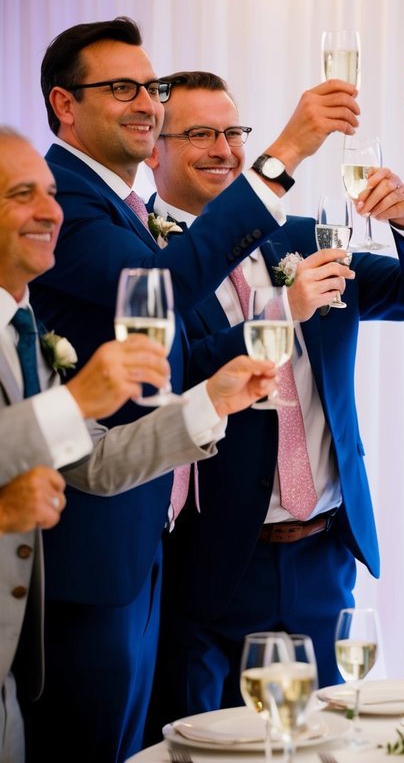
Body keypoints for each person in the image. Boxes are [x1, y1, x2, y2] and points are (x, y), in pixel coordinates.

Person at [26, 17, 357, 761]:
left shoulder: (117, 208)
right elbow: (163, 292)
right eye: (122, 88)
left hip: (139, 536)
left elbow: (167, 351)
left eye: (150, 87)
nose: (146, 101)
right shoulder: (69, 206)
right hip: (88, 546)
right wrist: (284, 154)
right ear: (64, 104)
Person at [142, 71, 404, 722]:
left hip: (324, 552)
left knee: (325, 735)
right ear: (153, 148)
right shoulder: (147, 259)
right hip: (212, 557)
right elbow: (167, 374)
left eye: (234, 132)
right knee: (207, 739)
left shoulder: (304, 237)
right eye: (200, 133)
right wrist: (279, 312)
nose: (224, 149)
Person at [0, 125, 275, 762]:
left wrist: (211, 402)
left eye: (51, 193)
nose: (52, 211)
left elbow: (91, 461)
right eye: (23, 194)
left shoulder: (26, 326)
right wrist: (78, 397)